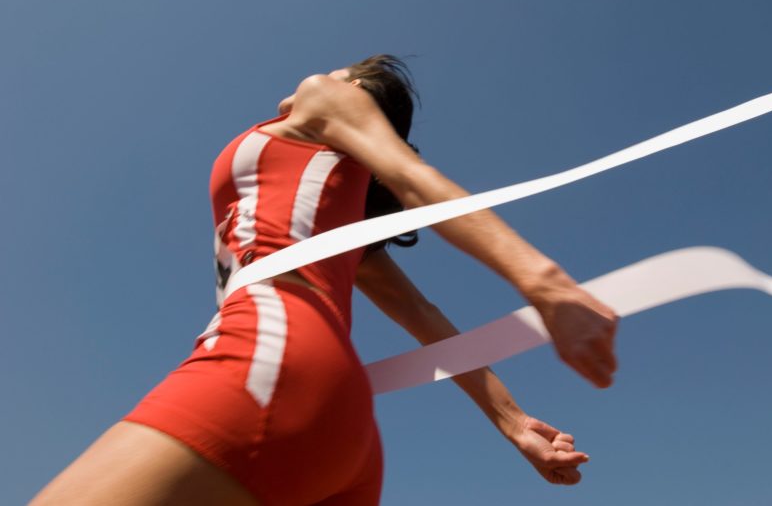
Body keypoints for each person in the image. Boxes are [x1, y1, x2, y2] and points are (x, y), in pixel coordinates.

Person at [30, 56, 620, 505]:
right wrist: (515, 423)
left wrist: (545, 284)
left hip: (266, 361)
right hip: (347, 433)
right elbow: (423, 316)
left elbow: (413, 178)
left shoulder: (324, 95)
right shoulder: (338, 226)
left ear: (356, 89)